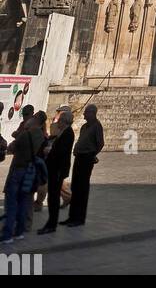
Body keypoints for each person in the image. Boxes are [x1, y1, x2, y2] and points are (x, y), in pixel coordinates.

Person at [2, 113, 46, 244]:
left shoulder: (26, 134)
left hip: (18, 169)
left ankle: (7, 234)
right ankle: (19, 231)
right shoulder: (41, 136)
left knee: (11, 203)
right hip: (30, 171)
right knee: (23, 202)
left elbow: (11, 148)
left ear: (35, 120)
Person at [62, 103, 104, 228]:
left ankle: (79, 218)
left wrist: (92, 154)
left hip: (87, 158)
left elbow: (100, 143)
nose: (84, 114)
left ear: (92, 113)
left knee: (82, 188)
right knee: (75, 186)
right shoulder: (85, 126)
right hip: (79, 157)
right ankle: (72, 217)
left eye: (86, 112)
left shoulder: (97, 126)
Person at [37, 107, 74, 235]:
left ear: (65, 121)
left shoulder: (68, 133)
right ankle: (51, 223)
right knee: (53, 197)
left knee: (53, 197)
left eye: (60, 120)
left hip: (58, 170)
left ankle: (51, 224)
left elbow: (61, 152)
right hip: (56, 169)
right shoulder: (63, 132)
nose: (58, 121)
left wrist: (50, 151)